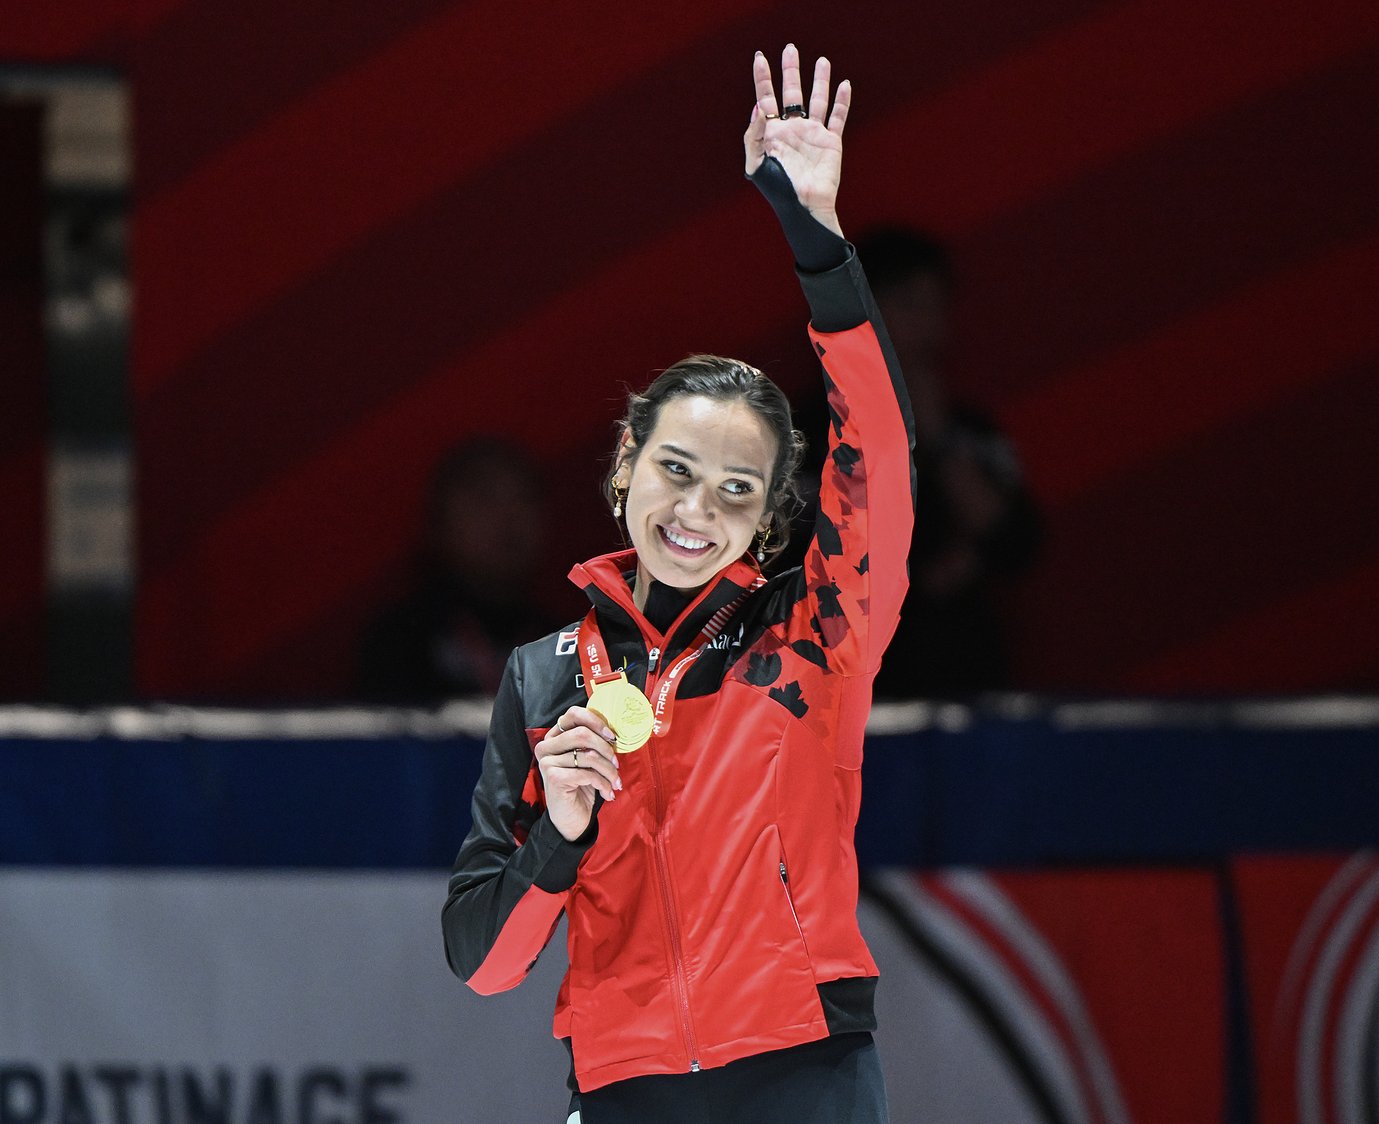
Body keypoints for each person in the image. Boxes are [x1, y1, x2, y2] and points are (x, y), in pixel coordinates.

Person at [441, 45, 913, 1123]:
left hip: (804, 1074)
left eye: (737, 488)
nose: (697, 509)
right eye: (676, 470)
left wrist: (817, 239)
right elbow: (481, 961)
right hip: (623, 1088)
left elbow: (875, 460)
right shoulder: (542, 674)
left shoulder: (813, 632)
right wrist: (559, 832)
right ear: (625, 470)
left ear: (766, 516)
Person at [856, 227, 1041, 698]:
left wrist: (935, 436)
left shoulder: (970, 430)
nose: (925, 325)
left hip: (963, 679)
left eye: (934, 306)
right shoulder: (806, 430)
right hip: (851, 693)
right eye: (906, 304)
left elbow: (1015, 543)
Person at [358, 436, 558, 701]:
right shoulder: (398, 643)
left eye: (524, 497)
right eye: (484, 497)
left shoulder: (568, 641)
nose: (508, 517)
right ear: (439, 520)